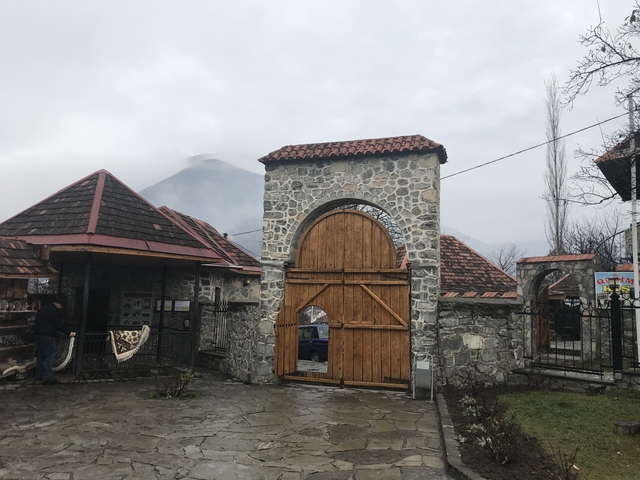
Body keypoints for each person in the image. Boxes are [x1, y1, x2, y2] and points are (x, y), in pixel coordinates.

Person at [34, 299, 75, 384]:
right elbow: (58, 324)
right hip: (48, 335)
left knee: (41, 356)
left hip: (38, 334)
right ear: (59, 305)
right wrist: (69, 332)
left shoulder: (43, 309)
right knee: (50, 354)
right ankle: (47, 376)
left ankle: (38, 376)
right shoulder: (54, 311)